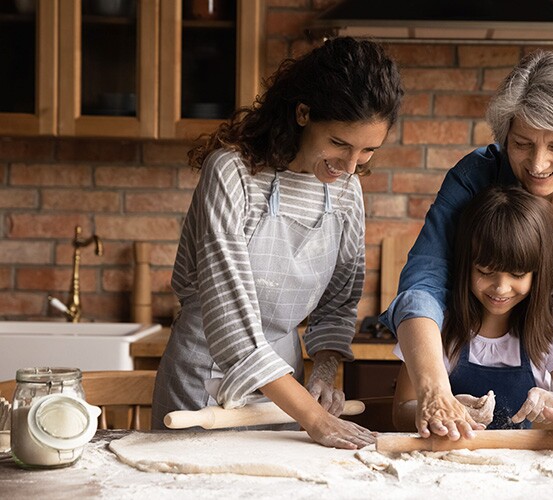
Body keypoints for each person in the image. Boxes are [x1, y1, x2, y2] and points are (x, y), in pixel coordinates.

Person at [380, 50, 553, 441]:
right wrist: (435, 393)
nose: (537, 164)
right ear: (505, 134)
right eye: (522, 143)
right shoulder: (473, 179)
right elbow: (423, 286)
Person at [152, 37, 404, 450]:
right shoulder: (231, 174)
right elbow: (230, 323)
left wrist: (322, 373)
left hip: (286, 388)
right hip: (205, 380)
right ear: (303, 112)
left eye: (368, 151)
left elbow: (337, 306)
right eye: (340, 144)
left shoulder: (346, 191)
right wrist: (312, 417)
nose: (351, 166)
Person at [392, 186, 553, 431]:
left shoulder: (548, 327)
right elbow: (401, 411)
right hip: (448, 462)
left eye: (517, 274)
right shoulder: (435, 326)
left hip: (522, 467)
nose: (501, 288)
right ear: (466, 265)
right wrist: (445, 409)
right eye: (485, 272)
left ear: (537, 273)